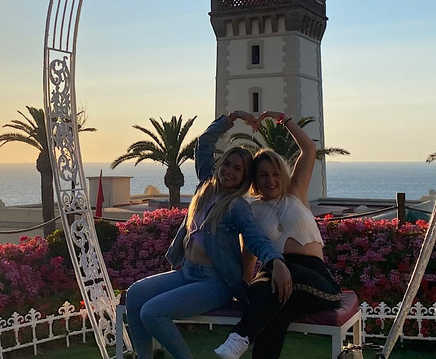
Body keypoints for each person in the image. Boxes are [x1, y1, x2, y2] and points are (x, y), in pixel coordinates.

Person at [125, 111, 291, 359]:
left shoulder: (237, 206)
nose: (230, 171)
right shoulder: (205, 186)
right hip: (187, 272)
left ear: (244, 178)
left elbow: (257, 240)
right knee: (134, 295)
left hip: (214, 283)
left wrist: (276, 260)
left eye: (238, 169)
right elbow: (203, 143)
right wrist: (230, 118)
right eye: (227, 164)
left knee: (152, 312)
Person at [214, 110, 342, 359]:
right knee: (275, 311)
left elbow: (308, 150)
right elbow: (249, 254)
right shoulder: (250, 209)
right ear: (255, 179)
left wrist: (284, 119)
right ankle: (239, 344)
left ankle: (240, 336)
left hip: (313, 277)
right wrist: (243, 286)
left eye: (274, 173)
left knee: (278, 278)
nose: (270, 180)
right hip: (273, 277)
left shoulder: (296, 192)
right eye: (263, 175)